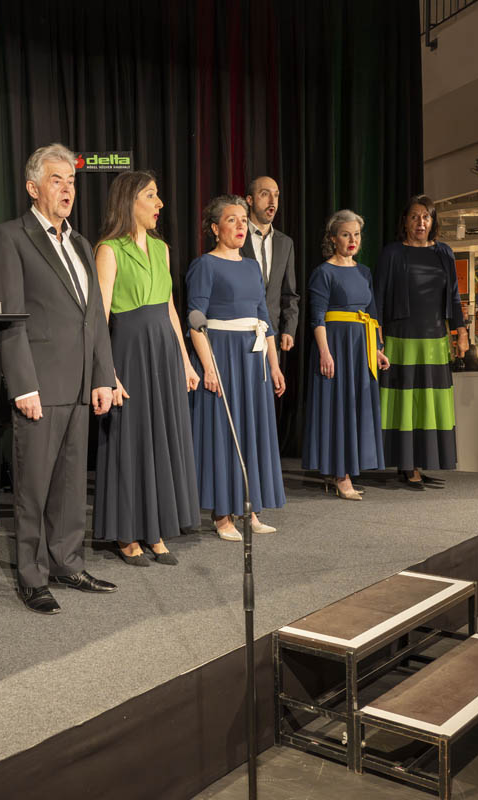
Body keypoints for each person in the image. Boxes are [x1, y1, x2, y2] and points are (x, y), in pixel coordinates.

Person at [0, 144, 117, 614]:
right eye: (57, 180)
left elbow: (93, 316)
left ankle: (67, 563)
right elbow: (8, 318)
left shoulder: (80, 243)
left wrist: (103, 376)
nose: (67, 189)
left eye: (72, 181)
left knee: (69, 486)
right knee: (33, 487)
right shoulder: (12, 237)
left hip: (80, 384)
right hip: (39, 386)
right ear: (33, 188)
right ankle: (32, 576)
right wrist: (23, 385)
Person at [93, 170, 199, 566]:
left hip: (164, 352)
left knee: (161, 438)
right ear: (130, 200)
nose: (160, 204)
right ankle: (126, 533)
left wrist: (185, 361)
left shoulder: (161, 248)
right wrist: (106, 372)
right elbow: (100, 316)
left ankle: (155, 529)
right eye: (151, 195)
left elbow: (169, 307)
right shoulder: (109, 250)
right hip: (129, 353)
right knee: (131, 440)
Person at [186, 195, 286, 540]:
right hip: (222, 355)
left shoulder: (252, 267)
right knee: (224, 433)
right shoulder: (205, 265)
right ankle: (222, 514)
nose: (241, 225)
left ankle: (250, 507)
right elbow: (195, 319)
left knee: (251, 431)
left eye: (244, 220)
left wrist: (274, 365)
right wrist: (208, 366)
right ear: (215, 228)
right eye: (232, 220)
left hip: (252, 358)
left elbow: (264, 318)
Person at [373, 195, 468, 490]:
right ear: (405, 221)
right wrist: (376, 336)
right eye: (414, 216)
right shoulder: (392, 253)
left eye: (426, 217)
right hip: (401, 337)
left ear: (433, 221)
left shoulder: (444, 253)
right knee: (404, 403)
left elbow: (454, 296)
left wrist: (462, 332)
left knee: (429, 403)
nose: (420, 222)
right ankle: (407, 465)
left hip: (435, 338)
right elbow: (377, 297)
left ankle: (422, 461)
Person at [300, 211, 389, 501]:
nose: (352, 240)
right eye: (346, 234)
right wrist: (325, 352)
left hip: (361, 347)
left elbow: (372, 314)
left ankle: (346, 470)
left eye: (357, 235)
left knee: (355, 406)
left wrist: (377, 350)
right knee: (338, 408)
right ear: (333, 238)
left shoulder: (364, 272)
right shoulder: (323, 272)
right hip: (336, 346)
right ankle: (340, 475)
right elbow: (317, 317)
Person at [240, 177, 299, 355]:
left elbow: (289, 293)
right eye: (265, 194)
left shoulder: (285, 243)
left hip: (272, 336)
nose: (272, 201)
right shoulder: (236, 237)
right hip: (240, 332)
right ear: (250, 200)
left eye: (276, 195)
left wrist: (289, 329)